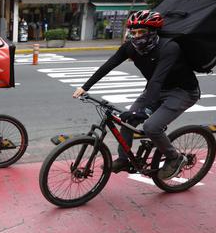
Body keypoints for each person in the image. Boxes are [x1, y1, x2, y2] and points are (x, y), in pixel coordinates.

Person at [72, 10, 200, 180]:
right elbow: (108, 65)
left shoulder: (169, 47)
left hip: (182, 92)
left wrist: (146, 111)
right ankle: (124, 160)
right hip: (156, 89)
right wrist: (85, 87)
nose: (137, 36)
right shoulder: (131, 47)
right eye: (133, 32)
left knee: (151, 127)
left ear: (153, 32)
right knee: (127, 119)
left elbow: (156, 80)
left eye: (142, 32)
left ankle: (174, 158)